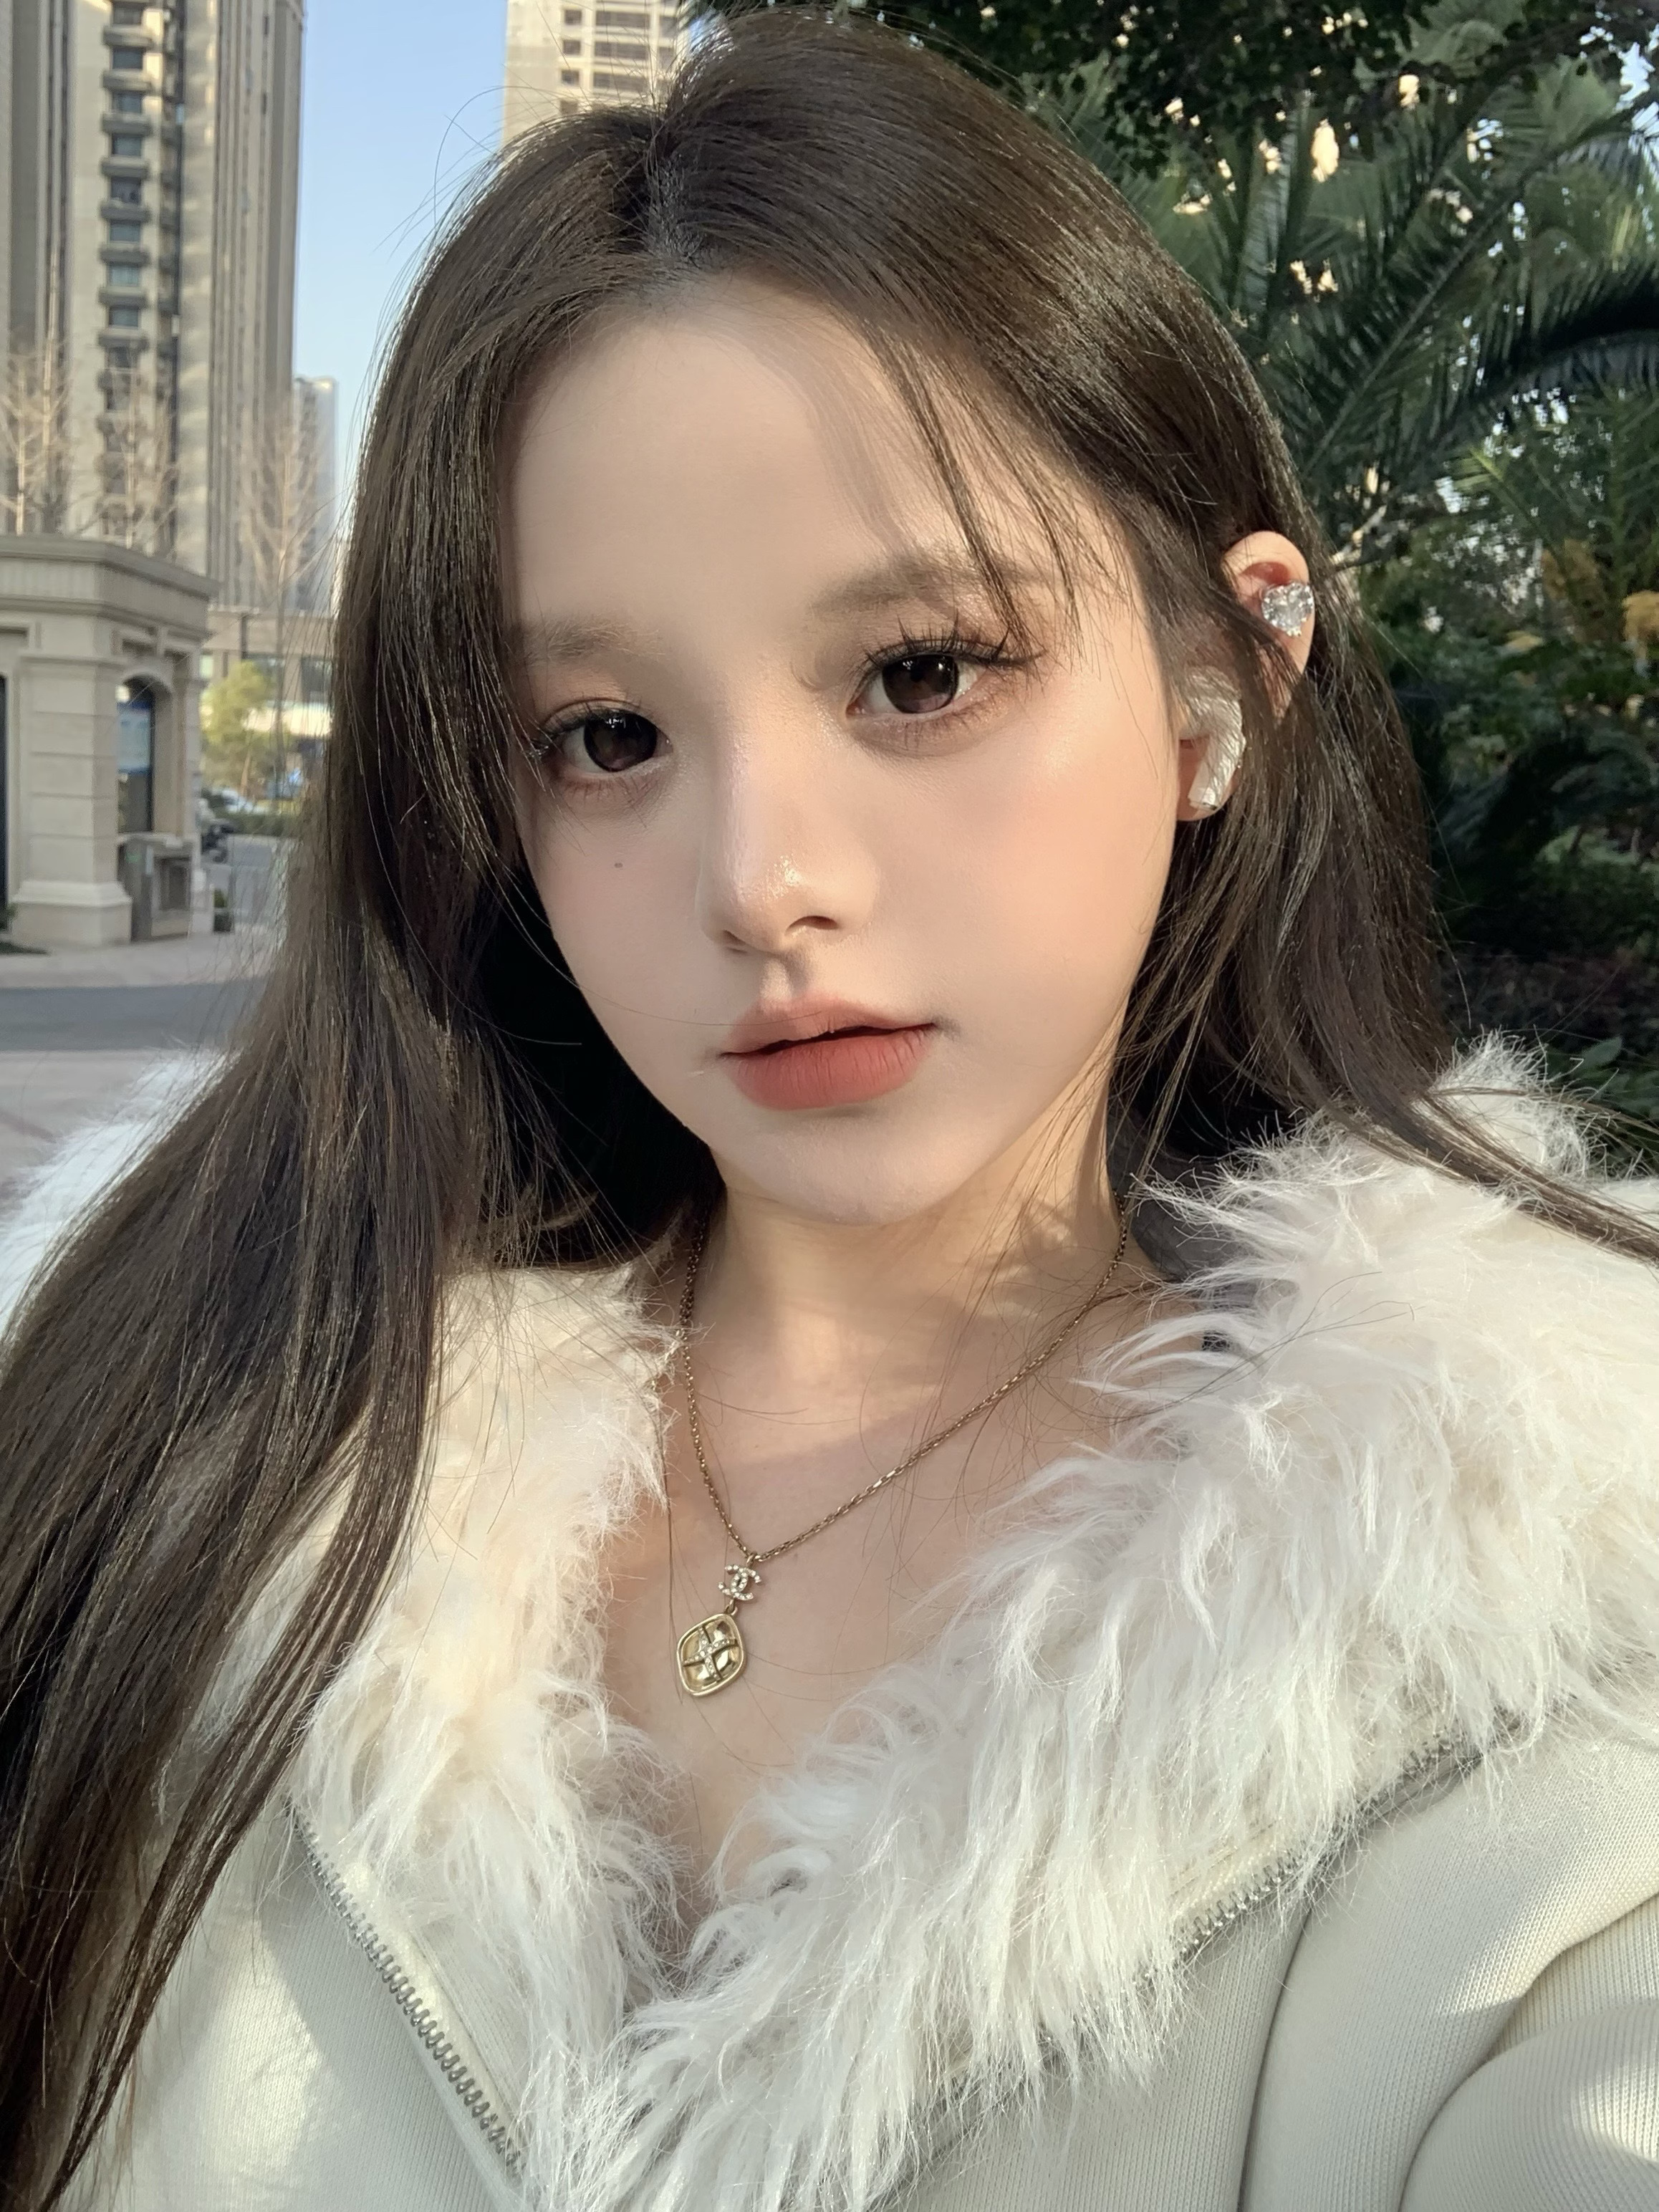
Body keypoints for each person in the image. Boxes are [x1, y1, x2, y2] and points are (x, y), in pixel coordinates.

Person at [4, 13, 1658, 2209]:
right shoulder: (165, 1406)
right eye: (604, 735)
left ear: (1225, 680)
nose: (761, 881)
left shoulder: (1553, 1600)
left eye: (919, 673)